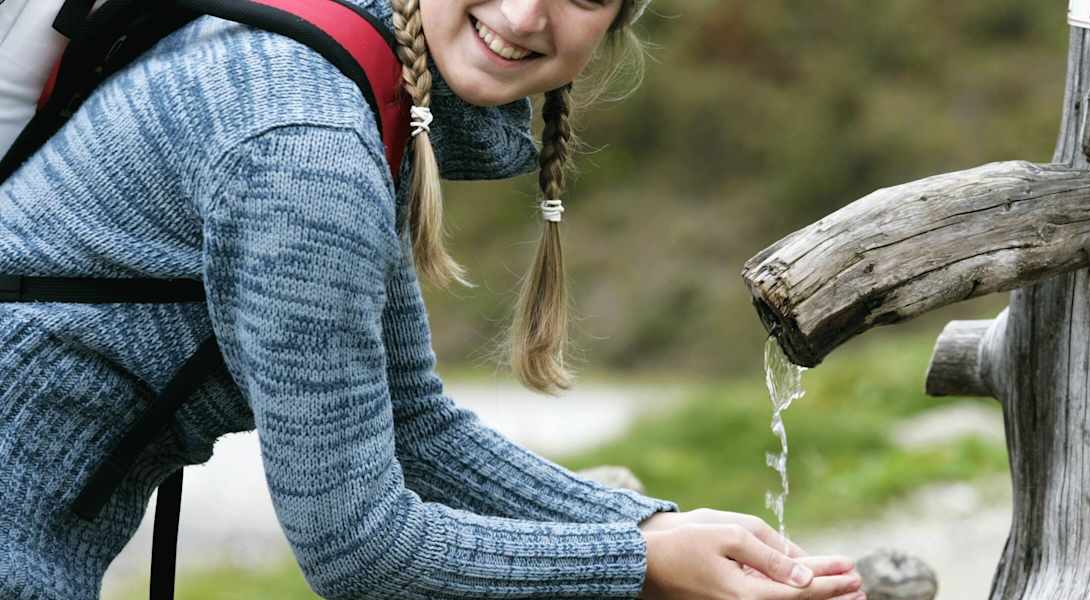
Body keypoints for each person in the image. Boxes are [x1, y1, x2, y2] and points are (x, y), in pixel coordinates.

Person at [0, 0, 867, 598]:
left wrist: (659, 527)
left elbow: (412, 422)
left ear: (610, 29)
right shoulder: (306, 151)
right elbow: (359, 550)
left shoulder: (339, 68)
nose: (527, 15)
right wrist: (639, 561)